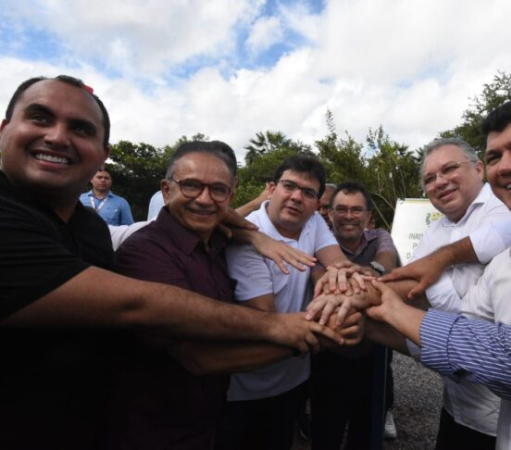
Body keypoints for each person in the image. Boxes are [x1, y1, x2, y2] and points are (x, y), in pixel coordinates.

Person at [0, 75, 342, 449]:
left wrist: (251, 234)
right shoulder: (145, 249)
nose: (57, 137)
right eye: (40, 118)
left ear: (102, 153)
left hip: (170, 425)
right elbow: (158, 319)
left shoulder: (92, 229)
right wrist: (296, 332)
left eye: (80, 128)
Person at [313, 97, 511, 450]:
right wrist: (367, 316)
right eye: (496, 156)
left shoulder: (502, 222)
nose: (507, 166)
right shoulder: (507, 259)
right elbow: (461, 336)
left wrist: (404, 287)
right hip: (468, 416)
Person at [104, 141, 363, 449]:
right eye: (191, 186)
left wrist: (324, 273)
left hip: (212, 414)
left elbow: (334, 264)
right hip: (159, 427)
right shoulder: (148, 251)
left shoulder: (218, 241)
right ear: (166, 190)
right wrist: (316, 335)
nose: (204, 199)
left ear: (230, 195)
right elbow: (197, 357)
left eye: (218, 190)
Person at [217, 155, 361, 450]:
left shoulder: (312, 223)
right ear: (271, 189)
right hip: (245, 387)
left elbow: (338, 264)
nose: (297, 197)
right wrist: (328, 324)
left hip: (293, 378)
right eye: (289, 186)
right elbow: (267, 321)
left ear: (317, 204)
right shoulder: (250, 238)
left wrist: (333, 277)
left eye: (308, 192)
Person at [394, 138, 511, 449]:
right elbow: (411, 285)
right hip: (456, 405)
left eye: (449, 168)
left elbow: (458, 308)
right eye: (430, 178)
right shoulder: (434, 230)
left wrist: (436, 264)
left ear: (479, 169)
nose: (439, 182)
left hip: (505, 416)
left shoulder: (507, 206)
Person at [366, 282, 511, 419]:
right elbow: (482, 341)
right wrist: (380, 319)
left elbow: (501, 352)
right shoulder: (502, 259)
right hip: (463, 413)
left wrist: (386, 305)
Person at [310, 181, 400, 449]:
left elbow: (385, 262)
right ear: (329, 213)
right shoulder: (317, 241)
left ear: (368, 215)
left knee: (367, 430)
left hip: (374, 354)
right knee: (326, 429)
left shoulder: (380, 236)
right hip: (328, 352)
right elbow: (320, 279)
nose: (349, 216)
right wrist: (369, 281)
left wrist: (369, 271)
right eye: (341, 209)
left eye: (357, 209)